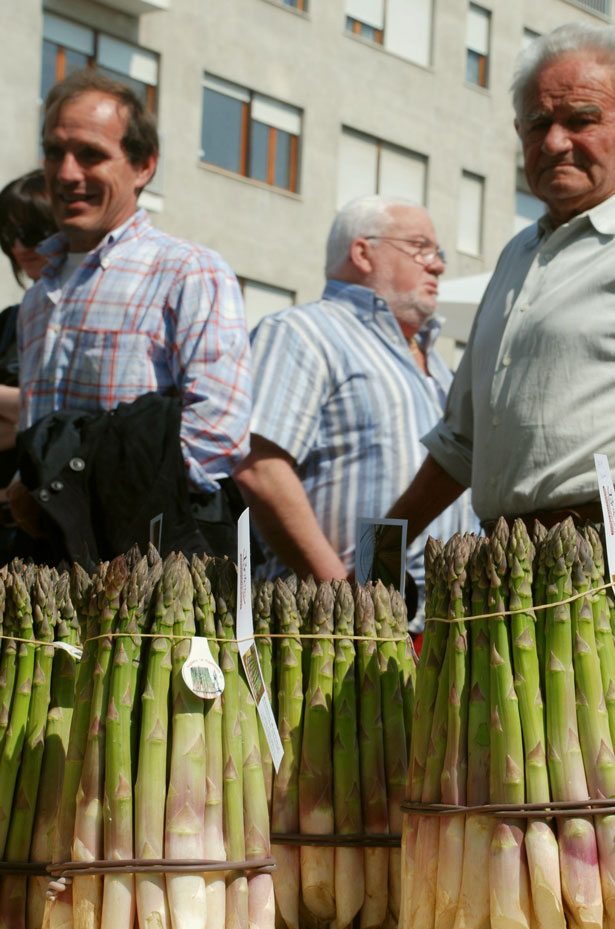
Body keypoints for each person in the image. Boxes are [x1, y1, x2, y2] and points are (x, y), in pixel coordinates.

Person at [386, 23, 615, 801]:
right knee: (520, 793)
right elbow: (461, 444)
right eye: (536, 125)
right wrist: (385, 542)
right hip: (508, 561)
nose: (555, 142)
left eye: (580, 119)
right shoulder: (517, 260)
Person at [13, 69, 252, 561]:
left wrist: (78, 487)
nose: (66, 173)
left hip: (152, 563)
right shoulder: (39, 299)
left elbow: (218, 431)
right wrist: (28, 481)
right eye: (55, 152)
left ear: (143, 166)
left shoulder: (187, 271)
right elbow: (38, 426)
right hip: (51, 563)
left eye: (91, 154)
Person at [234, 195, 476, 627]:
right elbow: (260, 468)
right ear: (363, 252)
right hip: (328, 631)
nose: (437, 265)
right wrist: (343, 599)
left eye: (436, 252)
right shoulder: (301, 333)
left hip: (439, 630)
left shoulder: (438, 366)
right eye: (420, 248)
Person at [0, 170, 58, 561]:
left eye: (32, 232)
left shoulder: (82, 314)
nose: (20, 247)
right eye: (8, 235)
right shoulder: (9, 321)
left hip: (49, 517)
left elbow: (58, 413)